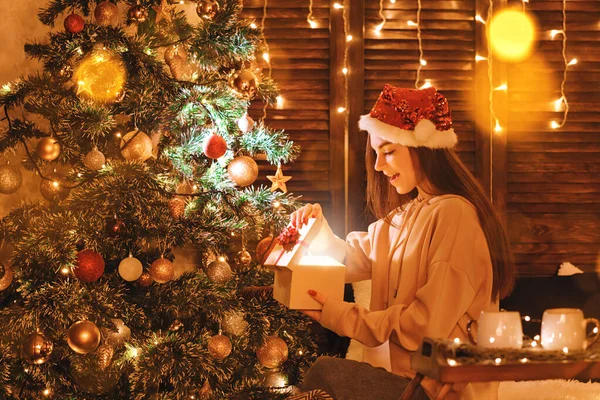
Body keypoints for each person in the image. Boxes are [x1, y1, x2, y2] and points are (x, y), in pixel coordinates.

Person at [291, 85, 516, 400]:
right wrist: (318, 233)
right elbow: (350, 258)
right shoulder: (405, 218)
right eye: (376, 154)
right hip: (402, 383)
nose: (380, 167)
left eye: (389, 151)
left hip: (435, 391)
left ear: (422, 147)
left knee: (326, 372)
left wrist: (342, 316)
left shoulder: (455, 215)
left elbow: (424, 326)